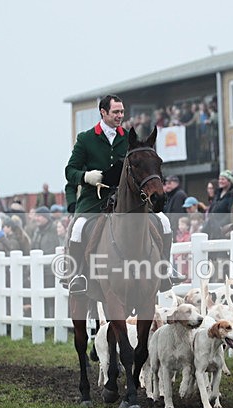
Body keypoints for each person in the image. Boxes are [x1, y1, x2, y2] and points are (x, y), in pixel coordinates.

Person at [63, 94, 182, 294]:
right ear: (103, 112)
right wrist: (86, 177)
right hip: (94, 200)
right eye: (116, 112)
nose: (120, 115)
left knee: (164, 222)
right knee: (78, 228)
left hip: (126, 198)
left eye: (122, 112)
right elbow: (70, 171)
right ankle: (79, 275)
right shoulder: (86, 139)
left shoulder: (129, 137)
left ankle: (165, 268)